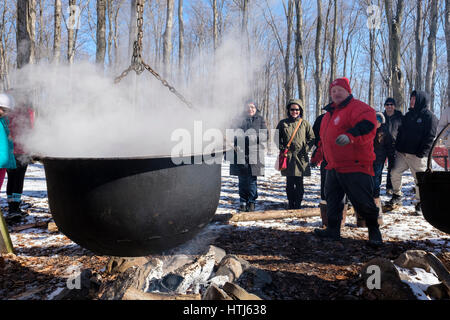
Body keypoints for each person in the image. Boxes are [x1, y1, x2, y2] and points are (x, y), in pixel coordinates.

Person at [313, 77, 382, 247]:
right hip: (333, 165)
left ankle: (374, 231)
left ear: (348, 92)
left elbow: (368, 125)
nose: (336, 93)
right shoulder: (329, 114)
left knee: (363, 201)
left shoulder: (358, 108)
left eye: (340, 90)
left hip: (355, 164)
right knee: (333, 200)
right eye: (333, 91)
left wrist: (351, 136)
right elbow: (325, 139)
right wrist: (318, 155)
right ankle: (333, 230)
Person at [385, 90, 438, 215]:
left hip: (418, 156)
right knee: (394, 172)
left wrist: (423, 152)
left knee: (419, 180)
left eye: (414, 98)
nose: (412, 101)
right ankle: (397, 196)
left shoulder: (430, 117)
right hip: (402, 153)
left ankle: (420, 202)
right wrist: (397, 147)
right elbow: (401, 132)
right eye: (411, 98)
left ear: (421, 100)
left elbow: (430, 137)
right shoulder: (408, 115)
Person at [276, 99, 315, 209]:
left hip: (301, 157)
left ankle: (298, 204)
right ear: (289, 110)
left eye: (297, 109)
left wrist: (306, 149)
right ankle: (291, 203)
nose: (295, 111)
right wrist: (282, 148)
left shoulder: (304, 123)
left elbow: (312, 138)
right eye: (292, 109)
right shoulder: (283, 123)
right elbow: (276, 138)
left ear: (300, 110)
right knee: (289, 183)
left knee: (299, 183)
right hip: (287, 157)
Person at [230, 101, 267, 212]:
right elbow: (232, 132)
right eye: (248, 107)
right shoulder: (238, 119)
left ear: (256, 108)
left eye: (252, 107)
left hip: (254, 153)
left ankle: (251, 201)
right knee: (242, 179)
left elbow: (266, 134)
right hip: (240, 152)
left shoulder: (260, 120)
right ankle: (242, 201)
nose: (250, 109)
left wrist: (254, 138)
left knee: (252, 180)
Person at [6, 91, 34, 217]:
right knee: (18, 179)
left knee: (11, 178)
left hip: (8, 150)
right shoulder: (26, 111)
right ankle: (14, 209)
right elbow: (30, 129)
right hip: (21, 150)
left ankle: (12, 207)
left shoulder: (6, 111)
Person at [372, 112, 395, 221]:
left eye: (379, 120)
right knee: (369, 179)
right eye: (375, 120)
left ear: (382, 122)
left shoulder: (385, 132)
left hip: (379, 159)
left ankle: (376, 199)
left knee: (376, 179)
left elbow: (390, 147)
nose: (377, 122)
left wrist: (391, 160)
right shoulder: (369, 130)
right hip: (368, 160)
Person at [0, 93, 17, 221]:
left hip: (3, 162)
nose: (4, 112)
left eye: (6, 110)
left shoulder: (4, 121)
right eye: (3, 109)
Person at [382, 97, 403, 194]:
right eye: (387, 104)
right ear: (385, 106)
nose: (389, 106)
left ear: (394, 106)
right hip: (381, 146)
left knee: (392, 168)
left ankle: (389, 187)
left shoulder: (400, 117)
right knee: (378, 168)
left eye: (391, 104)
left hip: (394, 146)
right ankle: (374, 189)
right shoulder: (381, 117)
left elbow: (404, 132)